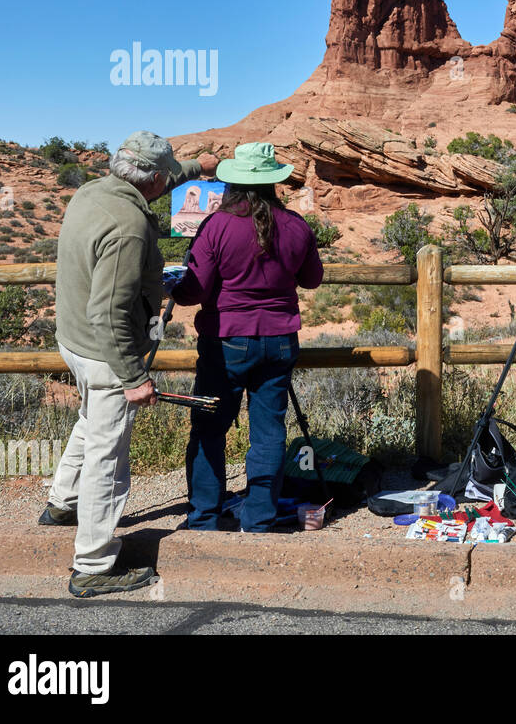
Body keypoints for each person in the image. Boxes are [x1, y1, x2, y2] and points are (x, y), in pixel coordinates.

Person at [42, 132, 218, 598]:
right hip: (106, 354)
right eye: (168, 175)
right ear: (155, 180)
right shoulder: (128, 227)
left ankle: (62, 503)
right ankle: (94, 564)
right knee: (108, 454)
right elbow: (111, 313)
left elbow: (161, 177)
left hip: (74, 341)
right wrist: (134, 377)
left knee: (90, 423)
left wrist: (199, 168)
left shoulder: (92, 191)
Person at [171, 142, 323, 532]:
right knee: (269, 433)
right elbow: (312, 279)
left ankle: (204, 518)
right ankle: (259, 521)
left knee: (209, 427)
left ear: (233, 183)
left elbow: (196, 291)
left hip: (226, 342)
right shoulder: (296, 225)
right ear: (273, 183)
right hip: (280, 340)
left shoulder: (216, 226)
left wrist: (173, 285)